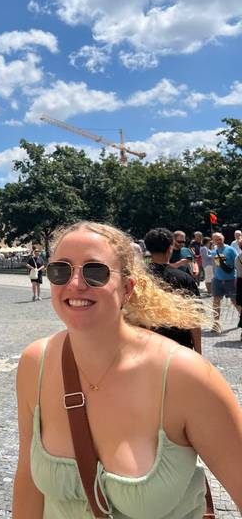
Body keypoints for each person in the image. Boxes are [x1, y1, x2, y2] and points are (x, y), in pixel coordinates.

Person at [13, 221, 241, 518]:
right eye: (61, 271)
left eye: (95, 271)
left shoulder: (186, 377)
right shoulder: (36, 364)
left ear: (128, 288)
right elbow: (29, 481)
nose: (75, 284)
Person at [144, 227, 201, 352]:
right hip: (179, 348)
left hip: (146, 347)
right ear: (170, 248)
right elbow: (194, 319)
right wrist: (199, 354)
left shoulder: (137, 278)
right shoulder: (184, 278)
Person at [210, 231, 240, 328]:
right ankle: (216, 324)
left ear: (223, 238)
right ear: (213, 241)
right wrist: (214, 276)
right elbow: (216, 265)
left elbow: (238, 262)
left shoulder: (230, 249)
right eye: (216, 239)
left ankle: (241, 317)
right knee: (216, 301)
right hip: (217, 280)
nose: (218, 241)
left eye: (220, 239)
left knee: (235, 301)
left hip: (230, 280)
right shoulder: (214, 251)